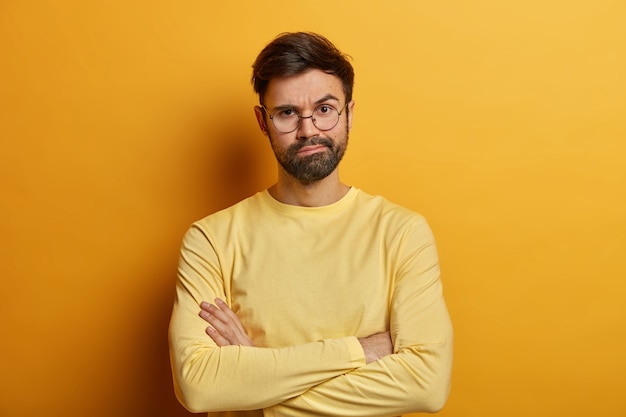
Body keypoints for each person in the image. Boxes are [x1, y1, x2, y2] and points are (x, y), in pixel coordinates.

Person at [168, 32, 453, 417]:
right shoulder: (211, 240)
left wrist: (256, 376)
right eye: (287, 112)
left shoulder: (402, 233)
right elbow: (199, 385)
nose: (308, 130)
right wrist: (360, 351)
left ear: (349, 113)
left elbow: (427, 386)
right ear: (262, 122)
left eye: (324, 109)